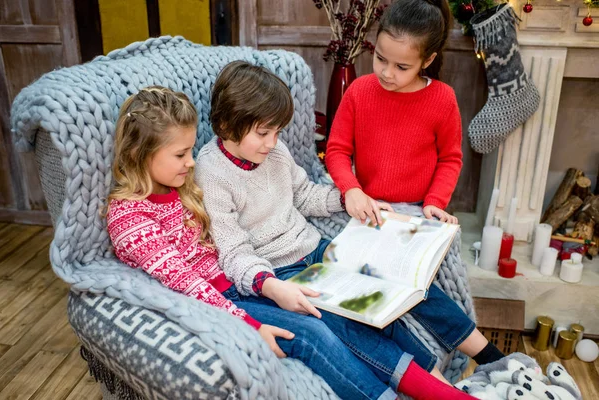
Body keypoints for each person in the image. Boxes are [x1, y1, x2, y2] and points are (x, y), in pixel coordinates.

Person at [105, 86, 474, 400]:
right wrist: (249, 324)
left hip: (244, 282)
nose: (190, 163)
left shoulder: (181, 187)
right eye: (180, 155)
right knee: (314, 331)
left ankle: (448, 386)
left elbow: (297, 196)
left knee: (373, 303)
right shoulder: (129, 218)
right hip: (227, 297)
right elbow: (187, 284)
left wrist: (349, 196)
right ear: (141, 154)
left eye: (189, 152)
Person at [195, 60, 489, 398]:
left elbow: (304, 195)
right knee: (349, 321)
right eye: (263, 133)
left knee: (392, 276)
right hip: (277, 272)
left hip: (315, 248)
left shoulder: (275, 152)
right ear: (227, 124)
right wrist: (271, 286)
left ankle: (471, 365)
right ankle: (442, 393)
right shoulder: (212, 173)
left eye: (277, 132)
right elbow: (233, 253)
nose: (273, 142)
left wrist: (350, 198)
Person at [326, 0, 464, 226]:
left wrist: (435, 202)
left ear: (427, 60)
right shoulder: (358, 91)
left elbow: (450, 159)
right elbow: (337, 149)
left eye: (401, 67)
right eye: (380, 58)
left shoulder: (443, 99)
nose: (387, 73)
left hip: (418, 210)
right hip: (366, 205)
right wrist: (350, 189)